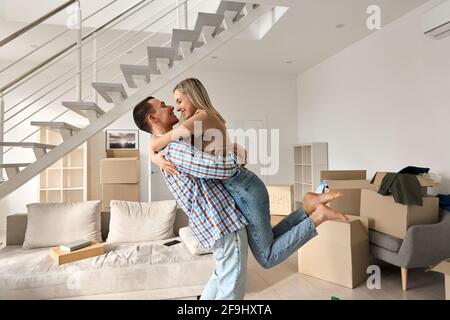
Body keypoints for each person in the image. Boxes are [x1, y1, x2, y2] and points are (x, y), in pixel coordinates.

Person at [133, 79, 348, 299]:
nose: (174, 106)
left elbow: (201, 158)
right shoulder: (181, 139)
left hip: (241, 188)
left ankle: (316, 214)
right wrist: (154, 153)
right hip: (239, 190)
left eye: (178, 101)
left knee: (266, 256)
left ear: (192, 95)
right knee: (263, 249)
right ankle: (309, 208)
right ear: (153, 118)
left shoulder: (199, 120)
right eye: (167, 104)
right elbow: (169, 143)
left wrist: (155, 150)